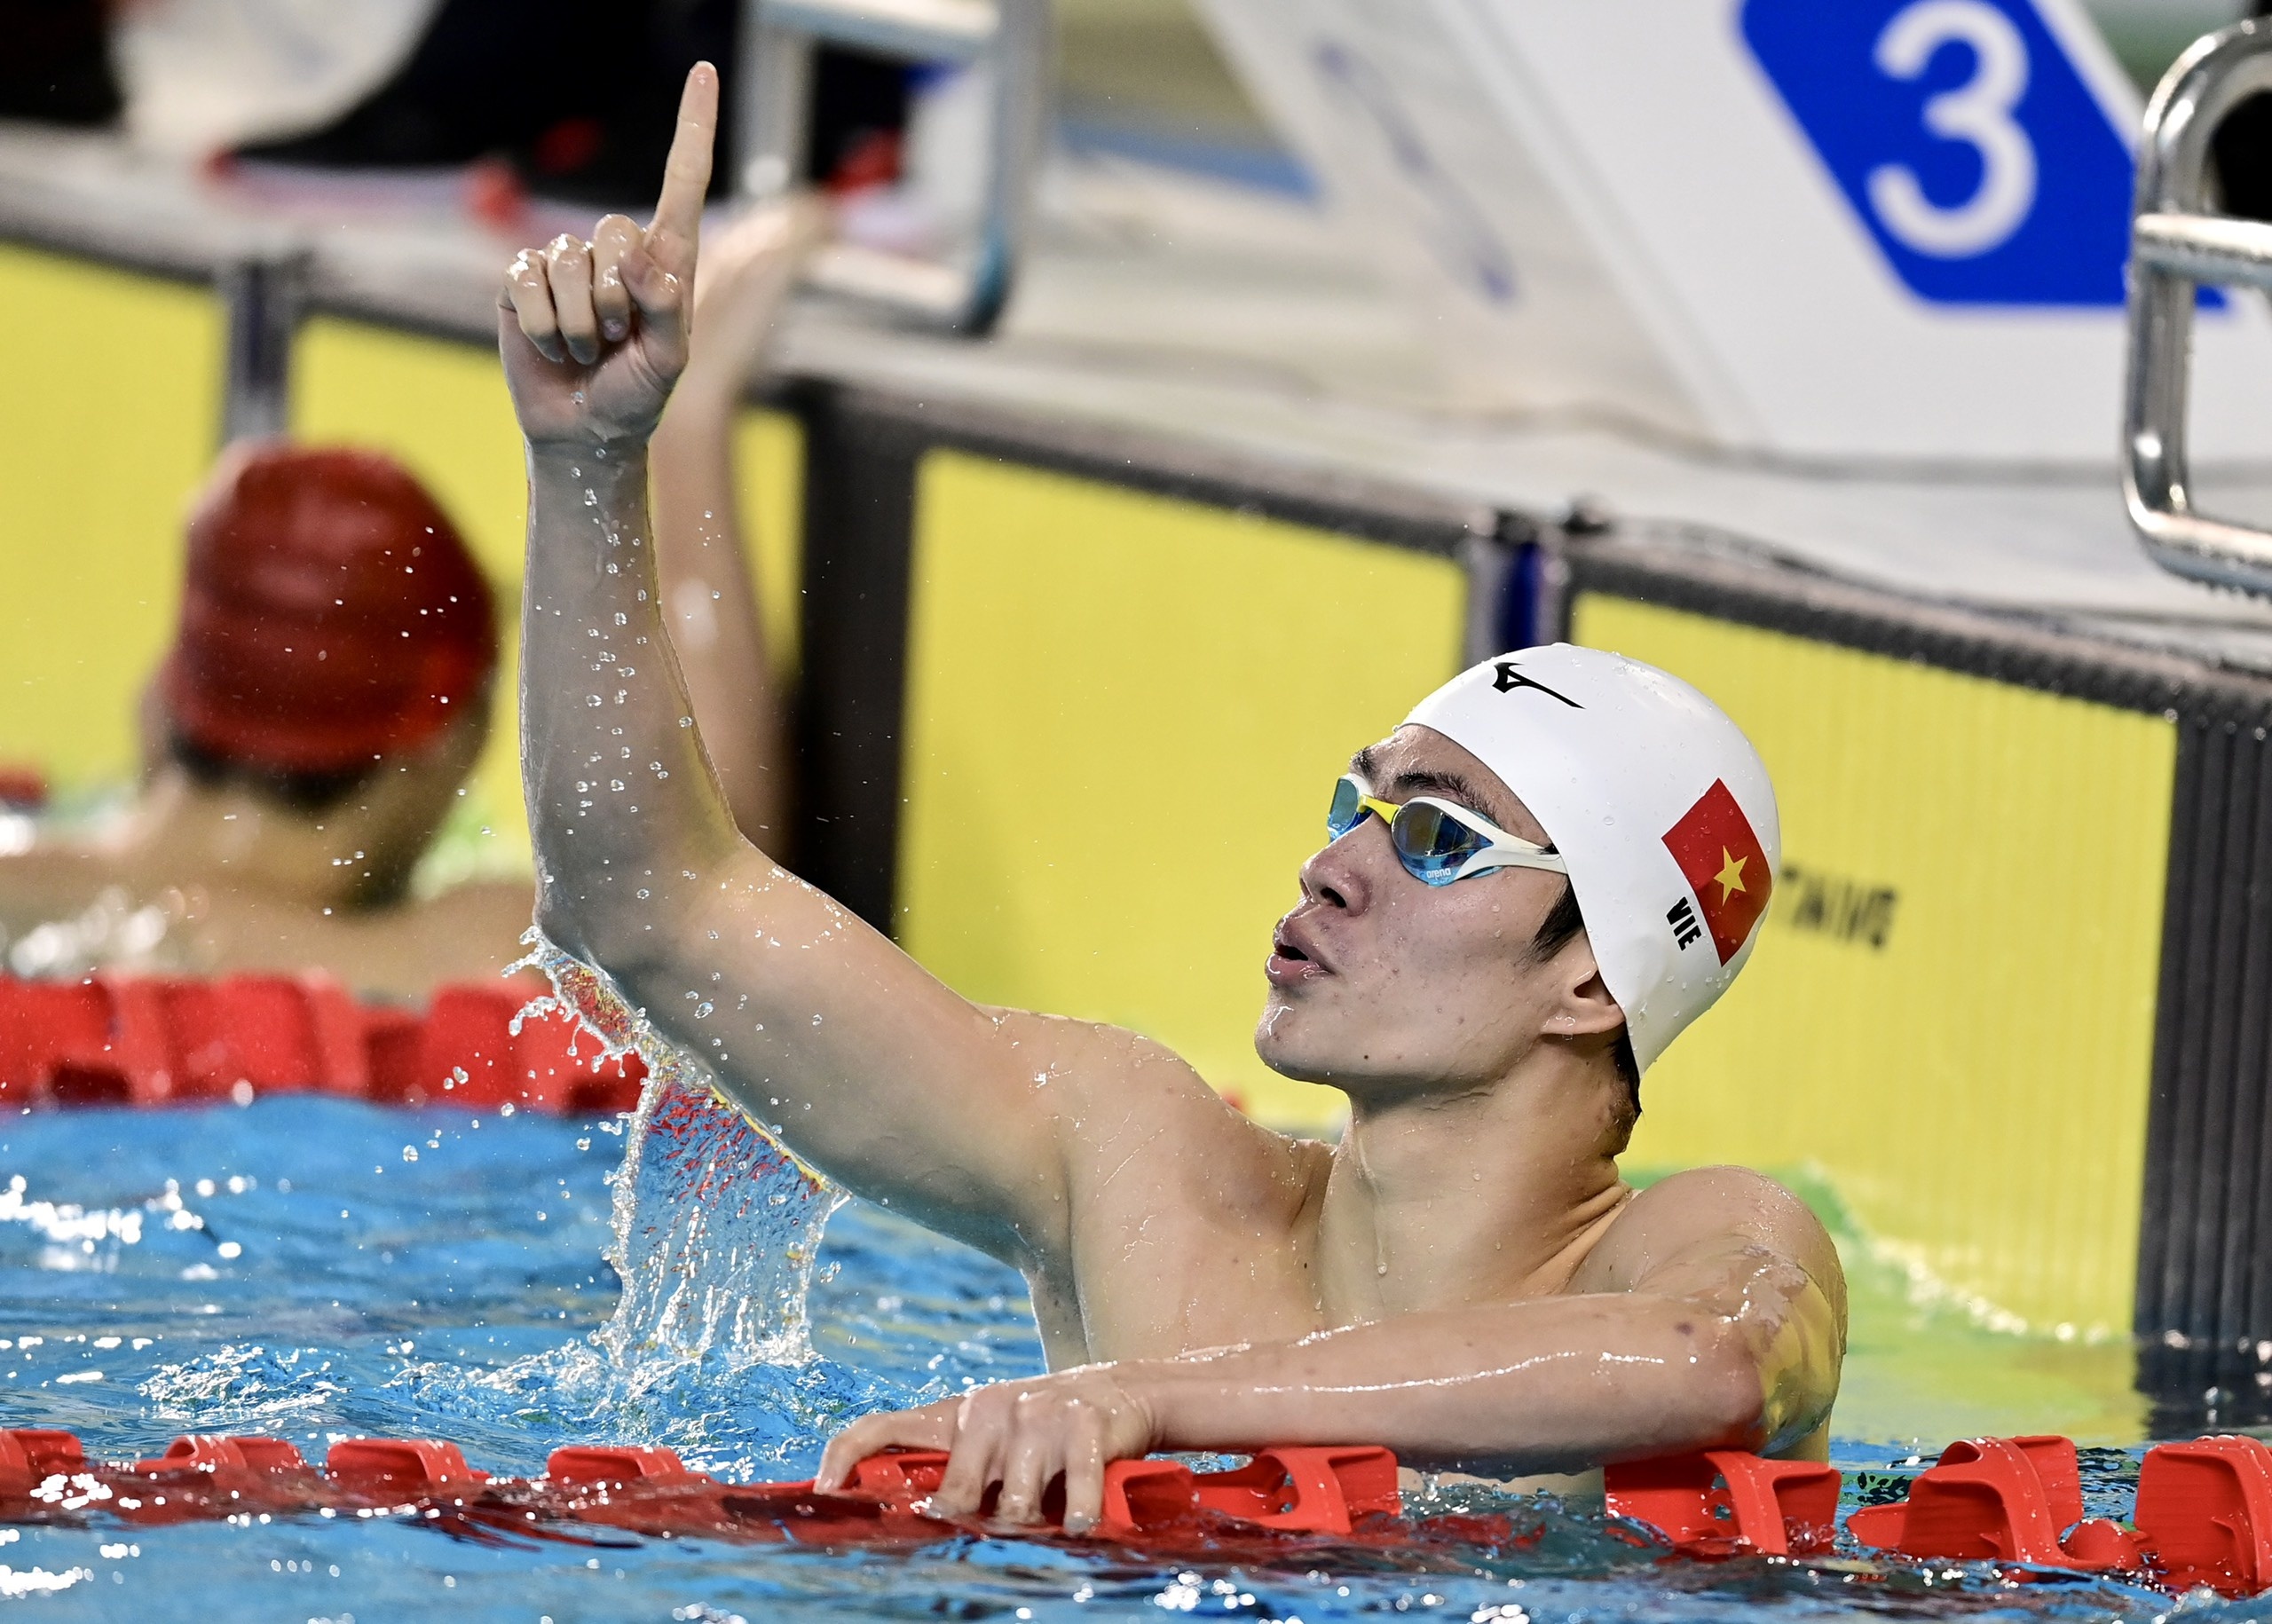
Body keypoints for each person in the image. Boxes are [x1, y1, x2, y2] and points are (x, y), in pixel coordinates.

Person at [500, 65, 1844, 1530]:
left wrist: (1147, 1396)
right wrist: (590, 462)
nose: (1338, 866)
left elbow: (1703, 1363)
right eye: (1357, 804)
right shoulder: (1136, 1167)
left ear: (1591, 977)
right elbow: (654, 910)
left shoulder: (1708, 1243)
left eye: (1442, 840)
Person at [0, 196, 816, 998]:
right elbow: (698, 888)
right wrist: (684, 420)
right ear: (449, 740)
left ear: (163, 700)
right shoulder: (442, 962)